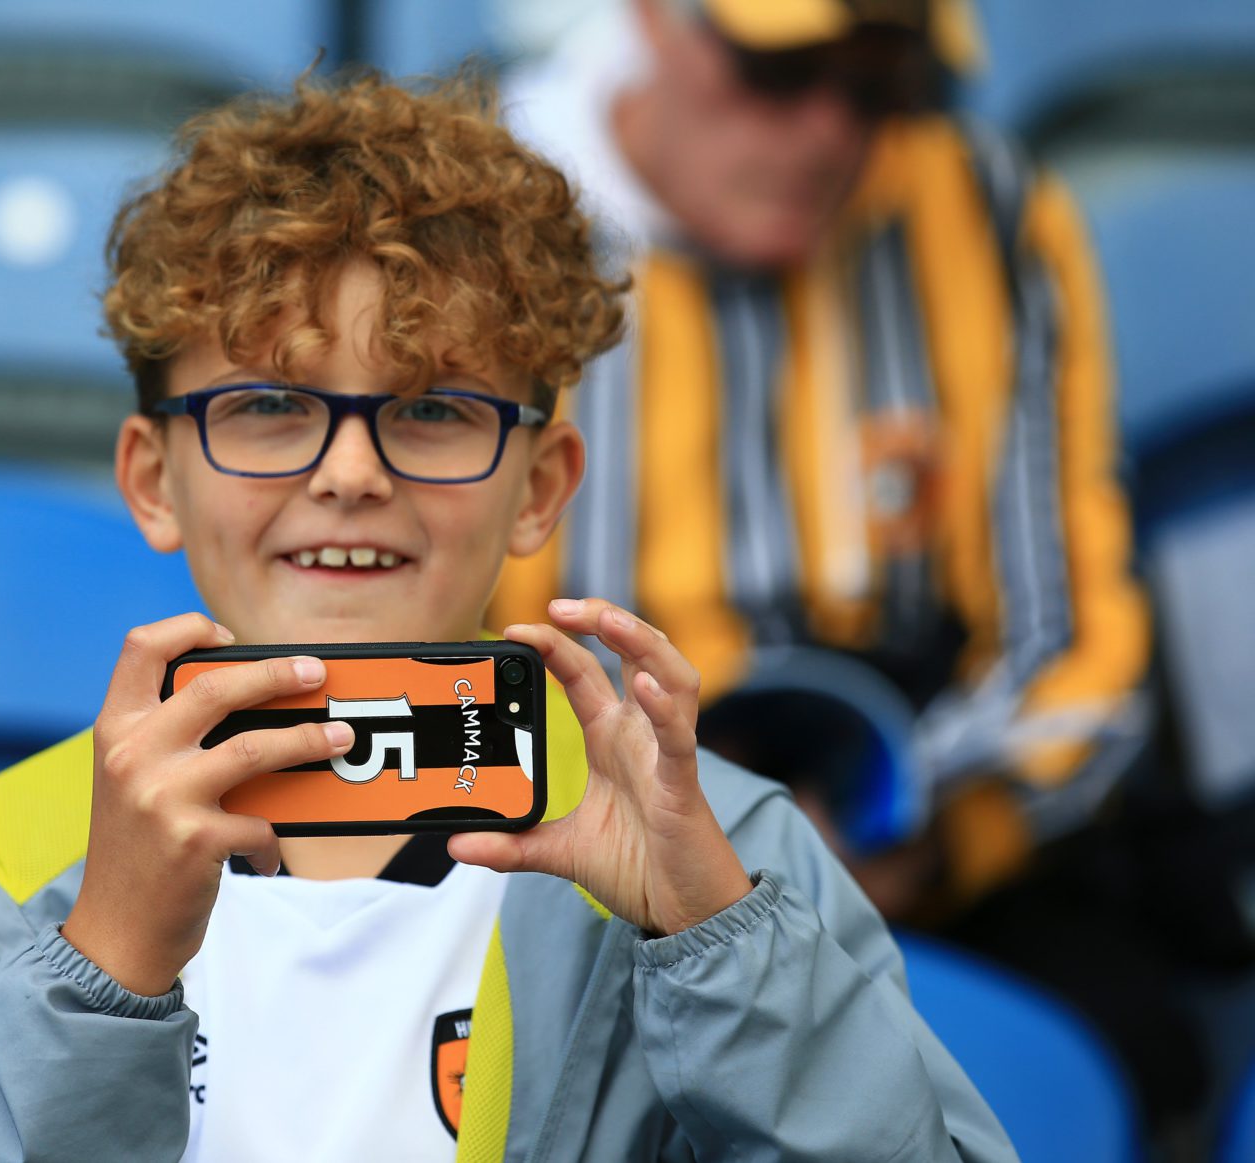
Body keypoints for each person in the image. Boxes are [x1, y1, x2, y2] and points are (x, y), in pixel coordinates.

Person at [0, 70, 1015, 1160]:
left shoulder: (710, 846)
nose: (351, 471)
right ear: (152, 479)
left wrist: (720, 942)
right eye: (270, 403)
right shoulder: (13, 857)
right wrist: (102, 964)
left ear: (540, 488)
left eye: (434, 410)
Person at [488, 0, 1210, 1131]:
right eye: (779, 72)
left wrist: (929, 839)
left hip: (931, 838)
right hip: (572, 842)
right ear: (654, 20)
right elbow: (429, 637)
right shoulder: (479, 224)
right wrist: (672, 844)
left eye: (879, 85)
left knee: (1137, 1056)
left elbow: (1076, 640)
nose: (828, 130)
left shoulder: (984, 208)